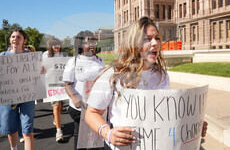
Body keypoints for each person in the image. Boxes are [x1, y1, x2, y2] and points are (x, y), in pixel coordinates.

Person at [85, 16, 208, 150]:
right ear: (134, 43)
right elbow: (91, 113)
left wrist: (193, 127)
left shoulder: (162, 75)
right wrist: (108, 133)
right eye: (147, 39)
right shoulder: (113, 74)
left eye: (157, 38)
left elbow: (168, 116)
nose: (155, 43)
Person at [63, 30, 105, 150]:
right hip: (79, 107)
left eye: (93, 42)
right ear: (81, 45)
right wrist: (74, 97)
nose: (92, 45)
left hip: (96, 106)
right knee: (81, 137)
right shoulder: (73, 62)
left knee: (95, 139)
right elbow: (67, 84)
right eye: (88, 43)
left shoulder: (100, 61)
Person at [42, 37, 65, 142]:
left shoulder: (62, 55)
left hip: (62, 84)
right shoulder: (46, 55)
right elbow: (42, 68)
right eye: (54, 45)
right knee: (56, 106)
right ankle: (59, 131)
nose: (57, 46)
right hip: (52, 84)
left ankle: (56, 120)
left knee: (60, 106)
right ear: (50, 46)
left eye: (58, 44)